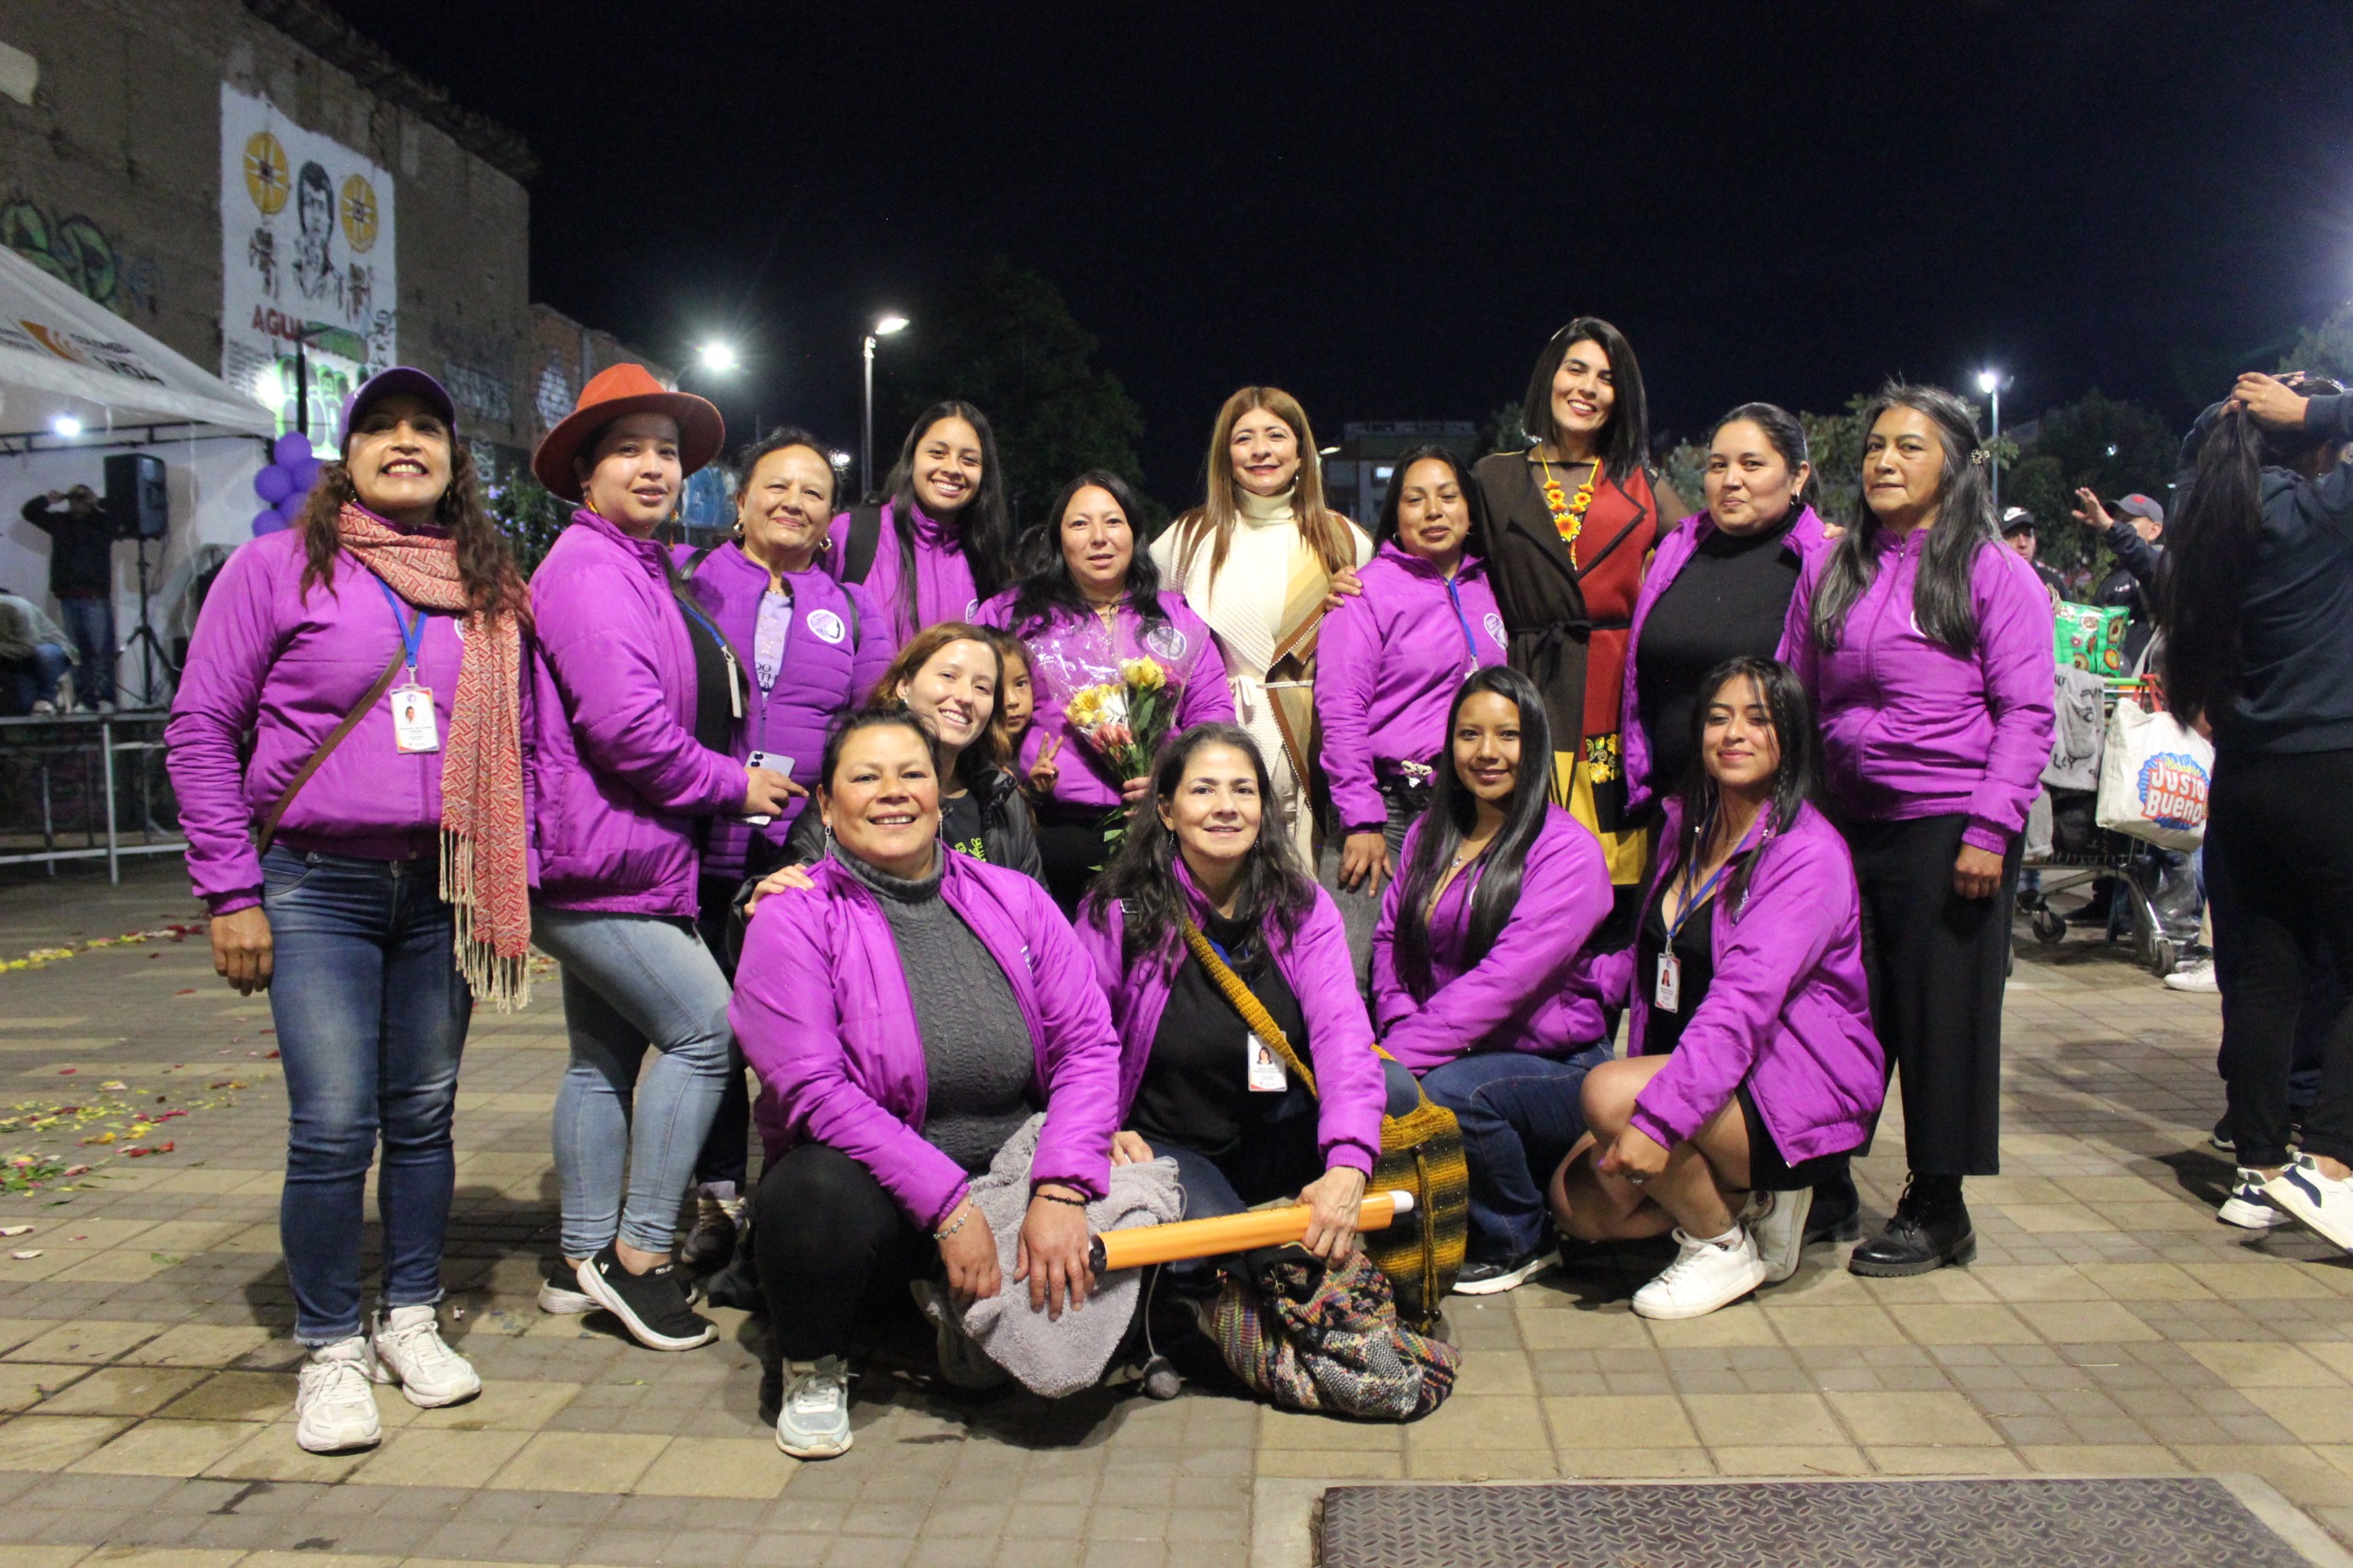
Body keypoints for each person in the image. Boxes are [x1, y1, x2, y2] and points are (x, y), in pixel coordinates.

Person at [165, 368, 531, 1451]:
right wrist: (230, 888)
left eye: (427, 428)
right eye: (381, 427)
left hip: (442, 888)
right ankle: (329, 1345)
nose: (405, 441)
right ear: (347, 453)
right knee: (333, 1123)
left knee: (423, 1116)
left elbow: (526, 747)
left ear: (456, 459)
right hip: (315, 883)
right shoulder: (277, 568)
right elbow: (198, 730)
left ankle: (409, 1316)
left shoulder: (488, 586)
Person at [731, 707, 1120, 1459]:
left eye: (912, 774)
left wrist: (1061, 1187)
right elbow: (814, 1091)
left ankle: (959, 1322)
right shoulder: (794, 918)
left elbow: (1088, 1048)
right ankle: (816, 1365)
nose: (893, 793)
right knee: (809, 1194)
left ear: (940, 793)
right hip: (885, 1190)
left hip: (1013, 1172)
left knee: (1141, 1185)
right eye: (866, 777)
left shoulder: (1016, 897)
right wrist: (946, 1204)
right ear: (826, 802)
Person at [525, 364, 798, 1350]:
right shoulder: (591, 569)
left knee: (601, 1061)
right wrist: (735, 784)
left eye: (667, 452)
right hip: (601, 864)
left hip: (616, 855)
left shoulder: (636, 562)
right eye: (629, 449)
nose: (654, 467)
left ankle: (579, 1254)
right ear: (585, 469)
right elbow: (628, 730)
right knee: (709, 1032)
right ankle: (638, 1255)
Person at [1782, 381, 2055, 1276]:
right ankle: (1822, 1178)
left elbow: (2025, 711)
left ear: (1954, 465)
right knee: (1841, 1008)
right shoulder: (1833, 567)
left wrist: (1990, 825)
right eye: (1874, 446)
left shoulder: (1989, 569)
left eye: (1908, 446)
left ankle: (1938, 1202)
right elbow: (1796, 692)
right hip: (1844, 824)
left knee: (1941, 1015)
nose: (1884, 461)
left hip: (1950, 824)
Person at [1550, 657, 1882, 1319]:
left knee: (1610, 1095)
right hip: (1711, 1080)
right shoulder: (1687, 825)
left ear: (1790, 736)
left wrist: (1656, 1119)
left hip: (1789, 1088)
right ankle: (1754, 1202)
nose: (1735, 734)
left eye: (1759, 720)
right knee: (1578, 1202)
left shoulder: (1806, 856)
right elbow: (1654, 961)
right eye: (1719, 717)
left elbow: (1741, 1007)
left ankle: (1720, 1246)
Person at [672, 427, 891, 1267]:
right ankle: (717, 1195)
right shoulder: (690, 586)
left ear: (831, 518)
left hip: (799, 850)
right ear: (740, 500)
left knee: (803, 1027)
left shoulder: (852, 606)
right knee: (714, 1026)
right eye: (778, 486)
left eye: (814, 493)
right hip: (700, 840)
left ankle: (798, 1187)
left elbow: (866, 722)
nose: (795, 503)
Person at [1075, 726, 1392, 1269]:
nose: (1226, 807)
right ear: (1167, 811)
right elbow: (1076, 1040)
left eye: (1243, 790)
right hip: (1169, 1143)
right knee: (1236, 1264)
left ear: (1263, 809)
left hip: (1272, 1129)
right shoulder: (1121, 913)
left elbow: (1341, 1030)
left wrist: (1348, 1162)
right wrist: (1100, 1129)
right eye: (1203, 790)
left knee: (1398, 1095)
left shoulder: (1299, 905)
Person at [2158, 371, 2353, 1246]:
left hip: (2244, 780)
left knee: (2265, 977)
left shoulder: (2207, 532)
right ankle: (2336, 1164)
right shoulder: (2320, 516)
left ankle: (2259, 1168)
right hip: (2333, 771)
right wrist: (2314, 407)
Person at [1372, 666, 1611, 1292]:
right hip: (1445, 1044)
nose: (1487, 753)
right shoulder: (1431, 831)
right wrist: (1396, 1026)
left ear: (1534, 745)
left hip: (1556, 1065)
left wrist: (1397, 1055)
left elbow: (1504, 983)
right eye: (1469, 734)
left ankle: (1518, 1237)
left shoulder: (1567, 850)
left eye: (1508, 736)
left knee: (1453, 1092)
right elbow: (1389, 942)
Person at [1473, 318, 1688, 914]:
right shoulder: (1493, 478)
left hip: (1612, 705)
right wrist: (1355, 578)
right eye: (1576, 369)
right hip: (1525, 691)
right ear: (1549, 377)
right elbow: (1431, 560)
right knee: (1516, 883)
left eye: (1607, 379)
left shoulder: (1642, 484)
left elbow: (1714, 547)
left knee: (1610, 885)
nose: (1588, 387)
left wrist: (1810, 533)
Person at [979, 470, 1233, 910]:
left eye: (1113, 522)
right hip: (1047, 829)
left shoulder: (1175, 617)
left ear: (1135, 533)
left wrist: (1172, 782)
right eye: (1079, 524)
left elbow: (1213, 717)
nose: (1099, 537)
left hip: (1159, 825)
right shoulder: (1012, 616)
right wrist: (1016, 779)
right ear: (1058, 540)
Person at [1152, 388, 1374, 866]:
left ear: (1300, 452)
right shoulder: (1184, 541)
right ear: (1224, 455)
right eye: (1244, 438)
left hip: (1314, 742)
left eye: (1276, 435)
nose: (1260, 450)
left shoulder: (1345, 539)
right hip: (1218, 744)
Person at [1621, 403, 1836, 823]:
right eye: (1718, 465)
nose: (1730, 480)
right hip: (1671, 811)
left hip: (1769, 815)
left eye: (1751, 464)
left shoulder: (1823, 562)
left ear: (1799, 476)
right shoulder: (1677, 548)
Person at [1315, 445, 1508, 903]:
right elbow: (1341, 710)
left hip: (1471, 811)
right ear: (1396, 515)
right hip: (1389, 809)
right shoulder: (1365, 592)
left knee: (1446, 968)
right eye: (1415, 499)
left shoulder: (1491, 587)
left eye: (1447, 496)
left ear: (1471, 512)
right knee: (1353, 971)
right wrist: (1362, 819)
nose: (1433, 511)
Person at [778, 622, 1042, 878]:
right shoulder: (853, 789)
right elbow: (786, 891)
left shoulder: (1002, 795)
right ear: (904, 685)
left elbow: (1036, 908)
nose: (965, 696)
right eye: (949, 676)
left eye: (982, 688)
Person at [829, 401, 1016, 650]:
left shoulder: (987, 560)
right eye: (937, 453)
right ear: (912, 458)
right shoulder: (851, 533)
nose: (952, 469)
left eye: (969, 460)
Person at [18, 483, 117, 710]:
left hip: (95, 596)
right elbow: (29, 512)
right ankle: (85, 698)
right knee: (77, 653)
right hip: (67, 596)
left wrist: (98, 502)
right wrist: (48, 499)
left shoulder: (101, 523)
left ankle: (105, 697)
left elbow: (122, 513)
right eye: (73, 499)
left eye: (82, 499)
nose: (77, 503)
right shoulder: (60, 522)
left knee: (100, 651)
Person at [2074, 490, 2165, 666]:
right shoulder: (2111, 578)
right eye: (2117, 520)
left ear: (2154, 530)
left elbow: (2140, 555)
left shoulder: (2161, 567)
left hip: (2142, 687)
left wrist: (2110, 527)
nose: (2118, 525)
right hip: (2108, 685)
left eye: (2128, 522)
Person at [0, 585, 73, 715]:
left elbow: (29, 646)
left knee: (43, 653)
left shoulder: (18, 606)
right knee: (23, 706)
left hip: (47, 648)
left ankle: (48, 697)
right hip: (17, 660)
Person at [2001, 507, 2067, 601]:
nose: (2022, 544)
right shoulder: (1990, 584)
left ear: (2034, 541)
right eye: (2013, 536)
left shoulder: (2052, 583)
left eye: (2027, 534)